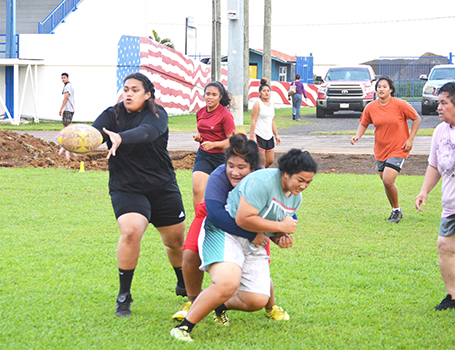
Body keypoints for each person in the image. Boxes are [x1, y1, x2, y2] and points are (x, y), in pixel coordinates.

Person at [171, 149, 317, 342]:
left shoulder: (295, 197)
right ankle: (184, 327)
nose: (304, 186)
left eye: (308, 182)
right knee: (226, 283)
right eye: (300, 180)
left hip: (252, 240)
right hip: (224, 232)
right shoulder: (262, 181)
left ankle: (218, 305)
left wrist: (281, 236)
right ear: (286, 173)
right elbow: (243, 218)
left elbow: (270, 223)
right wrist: (281, 226)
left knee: (256, 299)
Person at [90, 72, 187, 317]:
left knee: (175, 242)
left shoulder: (157, 115)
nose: (129, 93)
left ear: (148, 94)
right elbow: (92, 135)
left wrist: (120, 137)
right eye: (126, 89)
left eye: (135, 89)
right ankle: (124, 295)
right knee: (131, 231)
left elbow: (147, 133)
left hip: (162, 186)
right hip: (127, 187)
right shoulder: (111, 115)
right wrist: (71, 141)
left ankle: (183, 283)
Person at [172, 133, 291, 324]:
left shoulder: (262, 180)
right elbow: (217, 215)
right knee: (190, 255)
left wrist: (279, 236)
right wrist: (251, 234)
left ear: (253, 168)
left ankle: (270, 306)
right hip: (211, 216)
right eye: (231, 166)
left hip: (254, 222)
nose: (235, 172)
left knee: (258, 264)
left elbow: (280, 208)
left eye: (241, 168)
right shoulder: (219, 175)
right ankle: (193, 302)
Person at [351, 76, 421, 223]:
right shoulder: (371, 107)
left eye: (384, 86)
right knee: (385, 182)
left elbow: (416, 118)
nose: (381, 89)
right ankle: (395, 210)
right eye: (379, 87)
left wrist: (411, 139)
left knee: (388, 180)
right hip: (380, 150)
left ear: (391, 89)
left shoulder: (400, 104)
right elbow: (363, 123)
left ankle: (396, 211)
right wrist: (358, 135)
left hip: (399, 148)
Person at [415, 82, 455, 310]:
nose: (439, 107)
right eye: (438, 103)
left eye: (444, 103)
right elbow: (435, 165)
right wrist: (424, 191)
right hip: (450, 204)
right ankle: (453, 296)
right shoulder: (440, 131)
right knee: (445, 246)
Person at [192, 81, 236, 209]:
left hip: (222, 158)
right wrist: (198, 137)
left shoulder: (225, 115)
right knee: (197, 189)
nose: (210, 97)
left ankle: (223, 221)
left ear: (220, 97)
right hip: (204, 155)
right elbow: (200, 129)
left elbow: (233, 141)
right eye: (207, 94)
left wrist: (214, 144)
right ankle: (199, 221)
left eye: (214, 95)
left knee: (224, 194)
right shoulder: (200, 112)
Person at [249, 78, 281, 168]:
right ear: (260, 93)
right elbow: (253, 120)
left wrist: (276, 135)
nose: (266, 93)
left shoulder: (271, 104)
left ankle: (260, 171)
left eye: (268, 91)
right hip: (259, 135)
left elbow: (272, 120)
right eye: (264, 91)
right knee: (261, 161)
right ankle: (259, 173)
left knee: (270, 161)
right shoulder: (257, 104)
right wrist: (251, 137)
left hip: (269, 135)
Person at [58, 73, 77, 161]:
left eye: (64, 77)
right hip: (69, 109)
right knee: (66, 128)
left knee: (67, 127)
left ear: (68, 78)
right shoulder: (67, 86)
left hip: (68, 109)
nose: (63, 79)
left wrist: (61, 108)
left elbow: (66, 97)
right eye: (62, 78)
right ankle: (68, 149)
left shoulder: (68, 86)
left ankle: (74, 136)